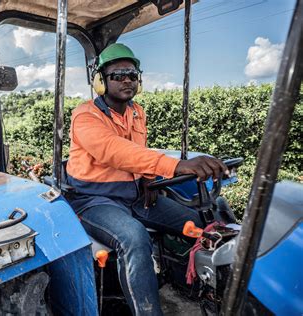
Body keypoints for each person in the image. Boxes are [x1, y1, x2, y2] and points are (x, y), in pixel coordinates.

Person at [65, 43, 228, 316]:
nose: (127, 79)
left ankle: (207, 292)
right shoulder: (85, 115)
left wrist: (148, 178)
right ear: (100, 81)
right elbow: (114, 151)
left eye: (132, 74)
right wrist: (177, 166)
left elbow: (139, 153)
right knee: (134, 237)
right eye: (118, 75)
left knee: (203, 223)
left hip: (136, 196)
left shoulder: (137, 112)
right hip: (93, 200)